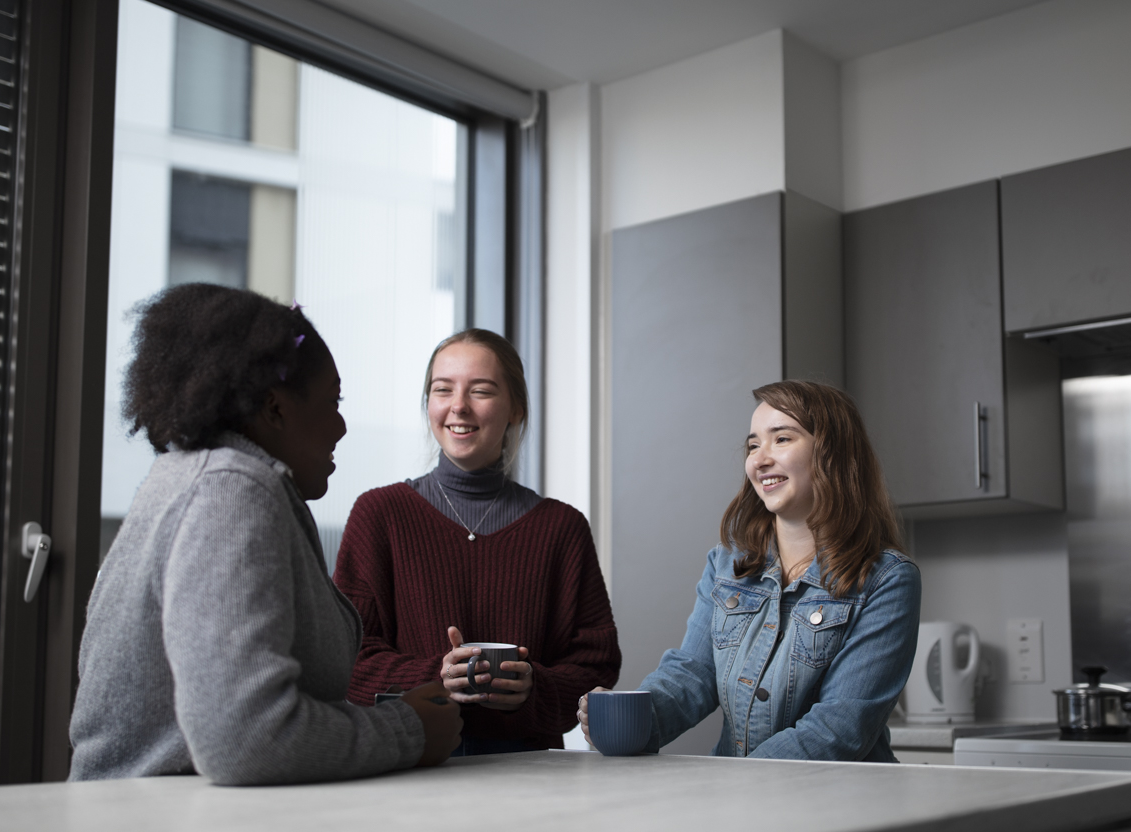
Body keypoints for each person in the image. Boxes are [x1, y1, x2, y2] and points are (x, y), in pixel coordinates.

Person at [69, 284, 461, 784]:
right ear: (276, 409)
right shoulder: (229, 492)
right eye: (332, 401)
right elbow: (246, 741)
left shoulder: (208, 480)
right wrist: (409, 729)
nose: (341, 426)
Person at [579, 380, 920, 760]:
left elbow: (840, 726)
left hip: (834, 806)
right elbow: (693, 675)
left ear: (832, 453)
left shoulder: (887, 579)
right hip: (739, 802)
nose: (759, 460)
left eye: (782, 439)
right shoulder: (726, 565)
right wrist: (629, 721)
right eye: (753, 445)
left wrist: (737, 786)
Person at [334, 329, 621, 754]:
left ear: (516, 409)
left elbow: (596, 665)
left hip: (533, 776)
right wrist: (436, 676)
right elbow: (345, 658)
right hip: (412, 767)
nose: (458, 406)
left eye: (481, 391)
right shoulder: (379, 515)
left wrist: (533, 688)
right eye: (442, 389)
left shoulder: (562, 527)